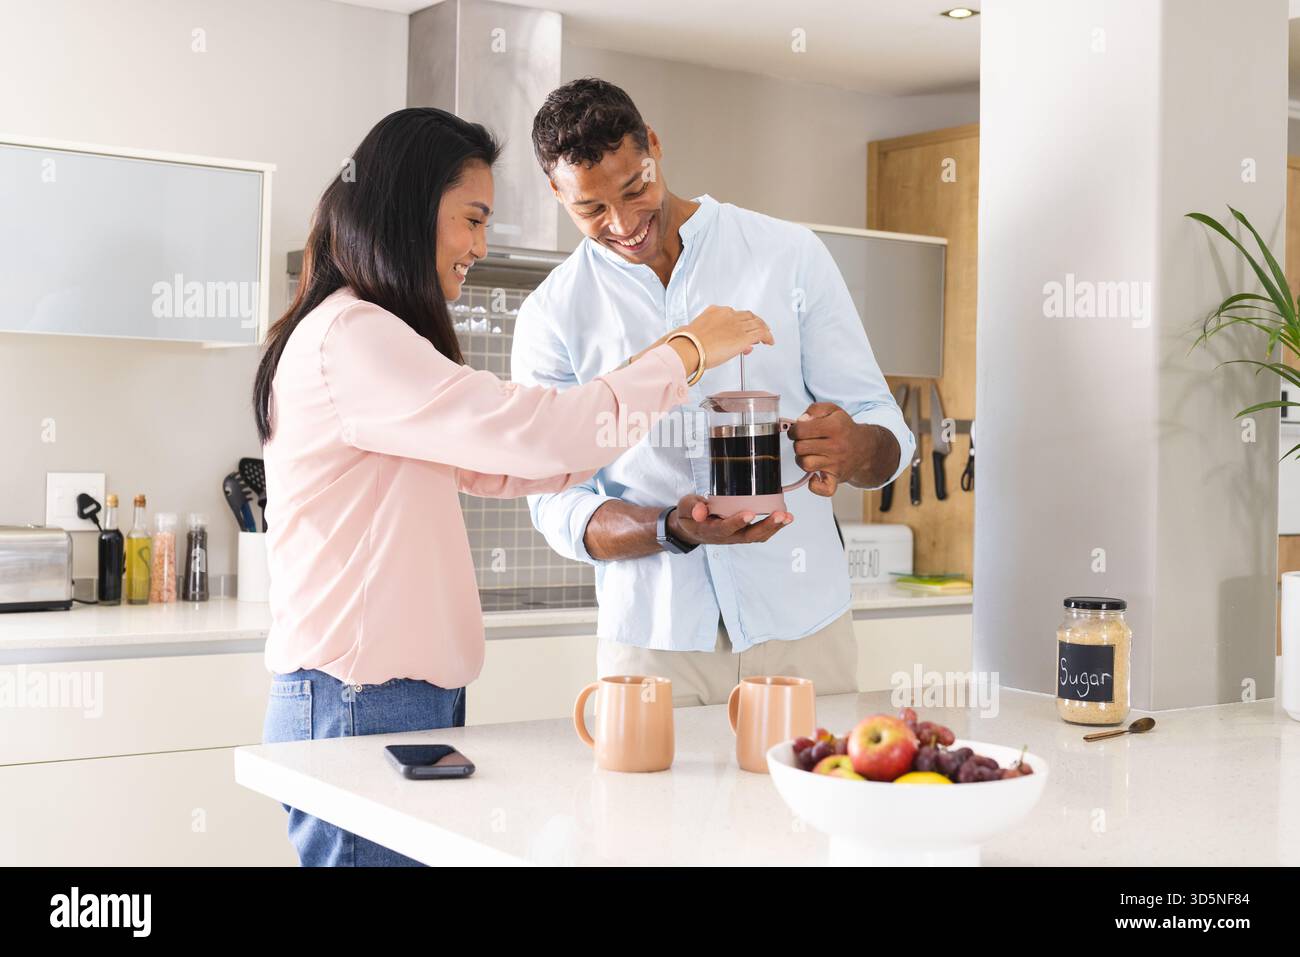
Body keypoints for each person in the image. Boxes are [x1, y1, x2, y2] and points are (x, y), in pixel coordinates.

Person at [252, 107, 771, 866]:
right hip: (361, 699)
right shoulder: (354, 337)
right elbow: (533, 433)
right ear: (409, 204)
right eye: (472, 218)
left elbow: (520, 459)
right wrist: (687, 352)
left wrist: (654, 371)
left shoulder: (366, 334)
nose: (480, 246)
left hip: (389, 696)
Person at [511, 79, 913, 707]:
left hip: (801, 624)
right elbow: (554, 500)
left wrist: (853, 447)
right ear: (557, 195)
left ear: (654, 146)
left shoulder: (788, 255)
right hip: (654, 639)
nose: (624, 224)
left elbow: (881, 426)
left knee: (807, 801)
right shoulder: (552, 313)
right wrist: (671, 528)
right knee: (646, 806)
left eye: (635, 187)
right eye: (591, 209)